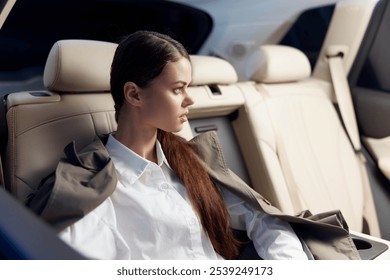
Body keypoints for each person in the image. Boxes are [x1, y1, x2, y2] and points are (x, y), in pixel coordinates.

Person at [27, 31, 359, 260]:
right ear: (134, 94)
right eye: (177, 89)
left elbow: (267, 221)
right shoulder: (93, 189)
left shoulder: (189, 160)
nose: (190, 99)